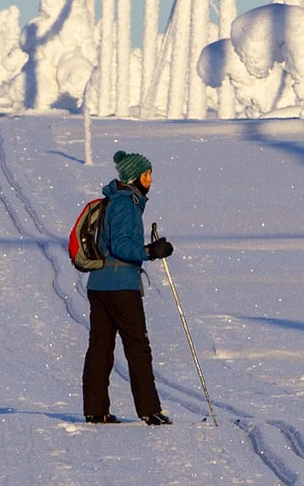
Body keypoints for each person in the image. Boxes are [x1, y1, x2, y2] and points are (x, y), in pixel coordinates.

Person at [82, 150, 174, 426]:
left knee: (100, 347)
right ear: (134, 178)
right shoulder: (125, 204)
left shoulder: (116, 202)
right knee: (137, 346)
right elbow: (121, 245)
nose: (151, 180)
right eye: (147, 175)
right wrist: (150, 251)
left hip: (99, 284)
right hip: (120, 286)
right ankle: (150, 411)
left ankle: (96, 411)